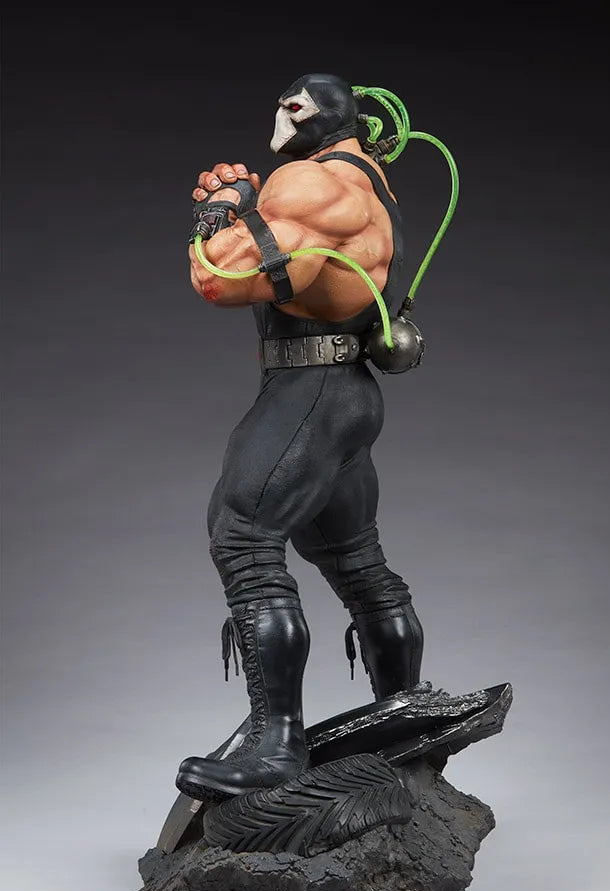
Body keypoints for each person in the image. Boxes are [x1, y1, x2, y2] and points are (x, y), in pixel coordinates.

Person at [176, 73, 423, 802]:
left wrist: (221, 208)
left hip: (308, 390)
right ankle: (405, 727)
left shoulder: (309, 184)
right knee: (356, 561)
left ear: (313, 115)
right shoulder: (371, 183)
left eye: (293, 103)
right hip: (348, 392)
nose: (281, 112)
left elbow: (218, 277)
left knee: (243, 537)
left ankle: (276, 746)